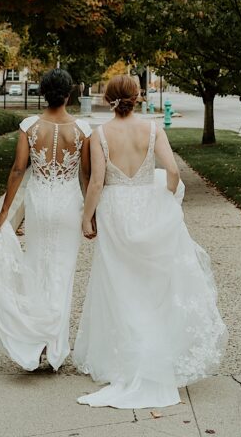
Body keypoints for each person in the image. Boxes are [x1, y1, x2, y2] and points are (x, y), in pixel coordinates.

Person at [73, 74, 228, 409]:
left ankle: (128, 351)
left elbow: (97, 182)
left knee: (119, 283)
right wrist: (167, 200)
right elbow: (173, 171)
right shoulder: (153, 129)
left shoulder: (99, 134)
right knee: (150, 283)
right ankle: (155, 347)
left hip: (114, 211)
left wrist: (86, 217)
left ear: (108, 98)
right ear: (137, 96)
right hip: (147, 205)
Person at [0, 68, 91, 371]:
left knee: (37, 267)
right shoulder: (82, 129)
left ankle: (35, 341)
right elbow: (87, 175)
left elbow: (18, 170)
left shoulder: (29, 126)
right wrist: (90, 215)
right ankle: (55, 349)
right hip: (69, 206)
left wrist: (4, 211)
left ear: (43, 93)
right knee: (62, 273)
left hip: (39, 204)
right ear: (69, 94)